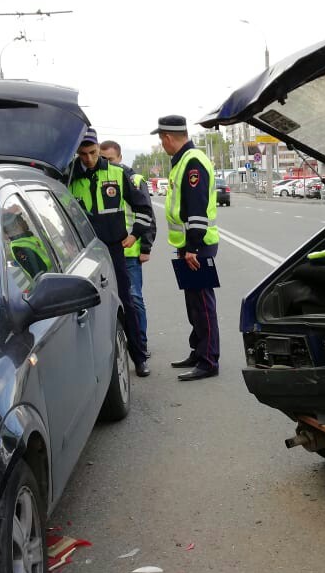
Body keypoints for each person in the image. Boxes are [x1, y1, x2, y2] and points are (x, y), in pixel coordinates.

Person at [68, 127, 152, 377]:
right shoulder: (70, 176)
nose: (89, 159)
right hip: (84, 253)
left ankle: (139, 357)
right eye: (83, 154)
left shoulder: (118, 173)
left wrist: (135, 234)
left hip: (115, 250)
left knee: (127, 302)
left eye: (93, 153)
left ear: (98, 149)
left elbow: (144, 209)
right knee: (87, 308)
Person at [153, 115, 219, 381]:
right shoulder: (183, 161)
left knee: (203, 305)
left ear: (168, 137)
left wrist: (192, 246)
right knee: (193, 304)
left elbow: (197, 209)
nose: (162, 145)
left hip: (197, 247)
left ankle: (208, 360)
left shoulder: (192, 163)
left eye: (161, 140)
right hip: (188, 247)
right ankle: (198, 351)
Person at [100, 139, 153, 341]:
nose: (107, 163)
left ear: (120, 158)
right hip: (106, 252)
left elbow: (147, 216)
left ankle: (140, 343)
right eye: (103, 159)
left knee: (134, 299)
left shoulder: (133, 179)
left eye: (111, 159)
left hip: (130, 251)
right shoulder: (97, 179)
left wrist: (145, 246)